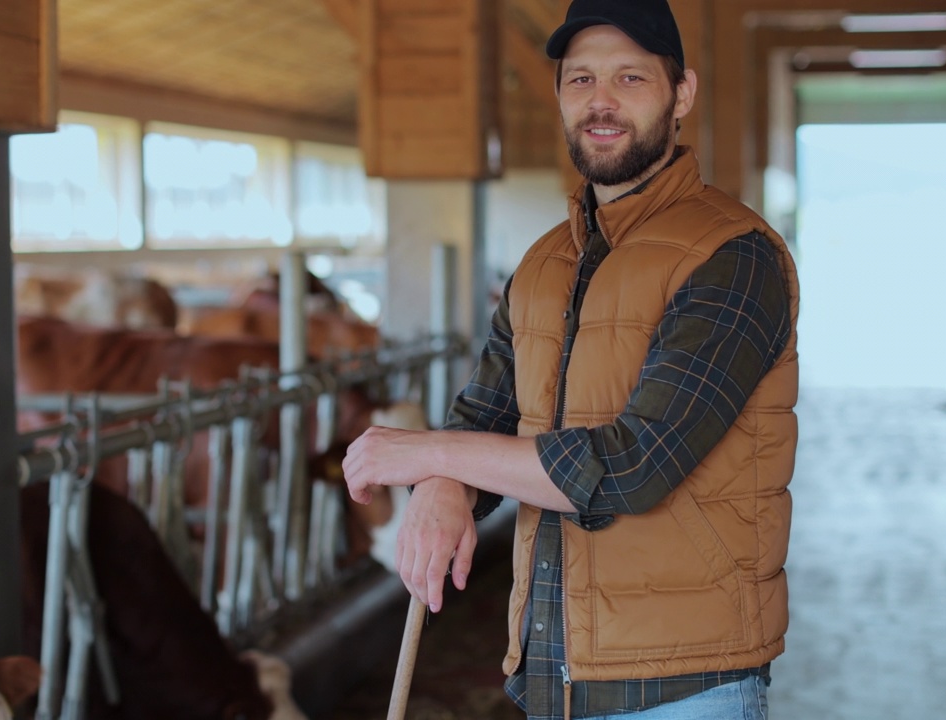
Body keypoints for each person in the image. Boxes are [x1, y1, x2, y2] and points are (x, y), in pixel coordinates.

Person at [342, 0, 799, 717]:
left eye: (630, 78)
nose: (601, 102)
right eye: (580, 80)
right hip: (550, 669)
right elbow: (484, 415)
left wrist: (428, 452)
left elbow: (632, 466)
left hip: (683, 686)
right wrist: (440, 485)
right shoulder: (543, 264)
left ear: (682, 95)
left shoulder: (733, 258)